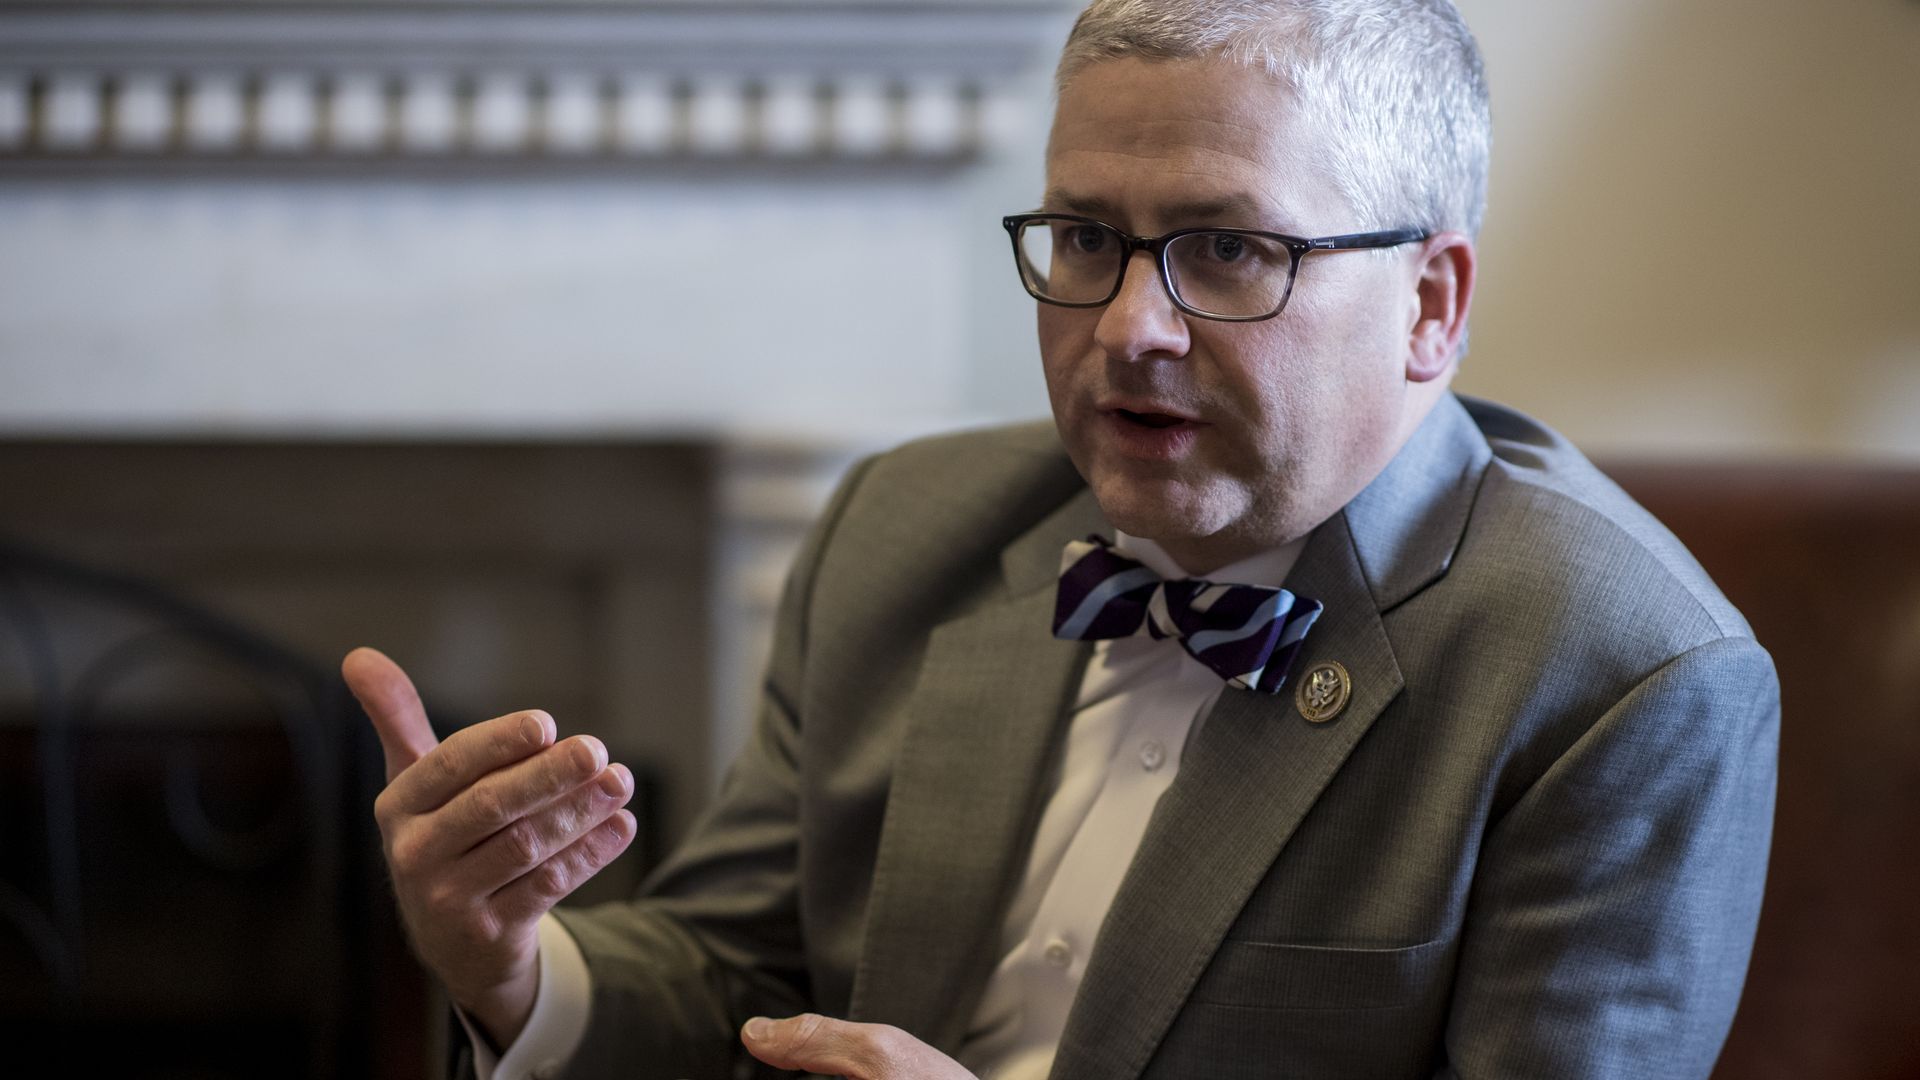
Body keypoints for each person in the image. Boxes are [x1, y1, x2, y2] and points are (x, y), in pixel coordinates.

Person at [344, 1, 1780, 1077]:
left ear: (1429, 306)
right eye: (1086, 238)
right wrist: (517, 967)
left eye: (1228, 248)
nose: (1127, 327)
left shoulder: (1625, 678)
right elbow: (739, 971)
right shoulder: (903, 530)